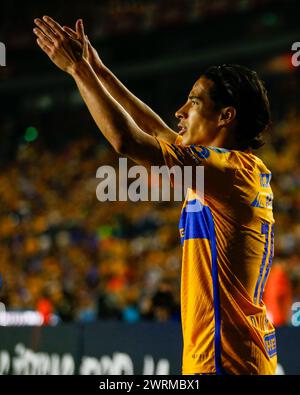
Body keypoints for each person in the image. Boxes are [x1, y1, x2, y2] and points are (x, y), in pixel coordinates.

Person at [33, 16, 277, 375]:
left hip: (223, 362)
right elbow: (154, 129)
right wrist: (99, 70)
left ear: (226, 116)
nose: (180, 112)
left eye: (193, 103)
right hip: (230, 358)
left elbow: (127, 141)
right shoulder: (230, 171)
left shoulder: (228, 172)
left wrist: (77, 70)